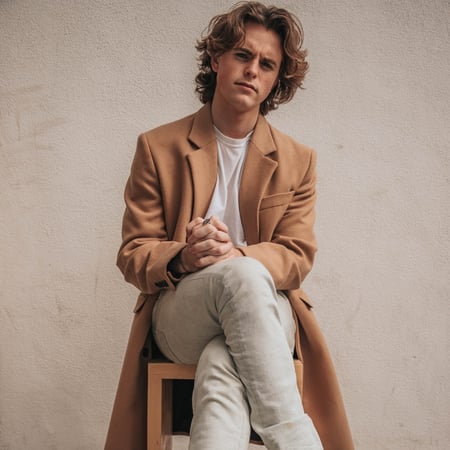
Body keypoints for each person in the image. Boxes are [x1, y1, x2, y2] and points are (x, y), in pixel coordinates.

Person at [105, 2, 354, 449]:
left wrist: (236, 254)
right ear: (216, 58)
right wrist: (183, 255)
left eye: (267, 63)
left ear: (277, 79)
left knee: (222, 360)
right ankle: (295, 439)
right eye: (242, 55)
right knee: (238, 279)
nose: (252, 70)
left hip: (267, 313)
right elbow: (133, 252)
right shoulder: (157, 146)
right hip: (182, 311)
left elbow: (296, 256)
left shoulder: (299, 160)